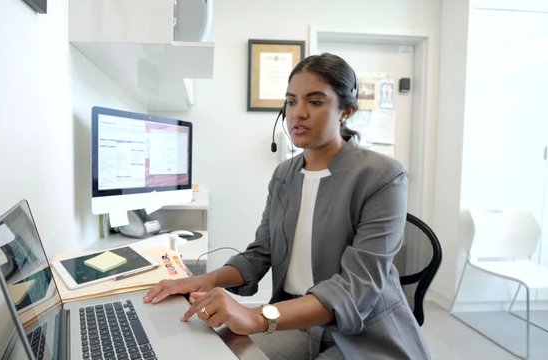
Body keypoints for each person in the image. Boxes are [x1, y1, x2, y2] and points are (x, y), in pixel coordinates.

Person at [143, 53, 431, 359]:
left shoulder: (383, 175)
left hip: (362, 332)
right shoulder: (284, 175)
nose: (298, 113)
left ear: (346, 111)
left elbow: (356, 288)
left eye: (315, 101)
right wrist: (203, 279)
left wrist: (255, 317)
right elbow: (260, 254)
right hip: (294, 320)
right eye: (291, 102)